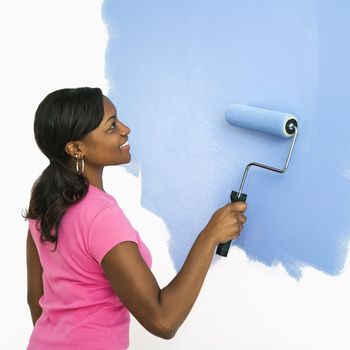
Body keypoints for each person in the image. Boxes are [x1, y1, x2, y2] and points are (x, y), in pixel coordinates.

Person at [23, 87, 247, 349]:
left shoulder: (45, 204)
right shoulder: (100, 216)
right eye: (111, 126)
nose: (125, 129)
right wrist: (210, 236)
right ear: (76, 148)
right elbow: (163, 320)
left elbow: (35, 299)